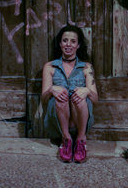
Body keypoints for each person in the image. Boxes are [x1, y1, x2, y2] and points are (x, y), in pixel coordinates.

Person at [42, 24, 98, 163]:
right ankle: (66, 140)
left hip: (81, 120)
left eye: (73, 41)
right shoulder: (50, 67)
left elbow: (95, 99)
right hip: (58, 121)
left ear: (78, 45)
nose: (69, 44)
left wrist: (86, 90)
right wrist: (51, 90)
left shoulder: (86, 67)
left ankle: (80, 140)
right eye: (65, 40)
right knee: (61, 95)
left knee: (78, 96)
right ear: (60, 43)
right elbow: (43, 99)